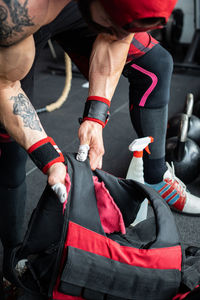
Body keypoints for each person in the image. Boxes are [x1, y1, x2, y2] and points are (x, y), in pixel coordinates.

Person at [0, 0, 181, 286]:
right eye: (114, 24)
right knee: (9, 153)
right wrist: (48, 155)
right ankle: (10, 260)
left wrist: (96, 116)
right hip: (18, 28)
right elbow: (4, 85)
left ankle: (155, 179)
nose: (120, 33)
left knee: (156, 64)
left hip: (77, 8)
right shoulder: (14, 12)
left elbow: (115, 38)